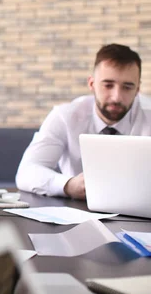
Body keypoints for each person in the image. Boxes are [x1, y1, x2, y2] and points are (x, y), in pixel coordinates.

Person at [15, 43, 151, 200]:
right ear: (92, 83)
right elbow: (27, 172)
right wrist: (68, 185)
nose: (116, 97)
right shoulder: (65, 116)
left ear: (138, 89)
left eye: (127, 87)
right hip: (79, 210)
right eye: (108, 85)